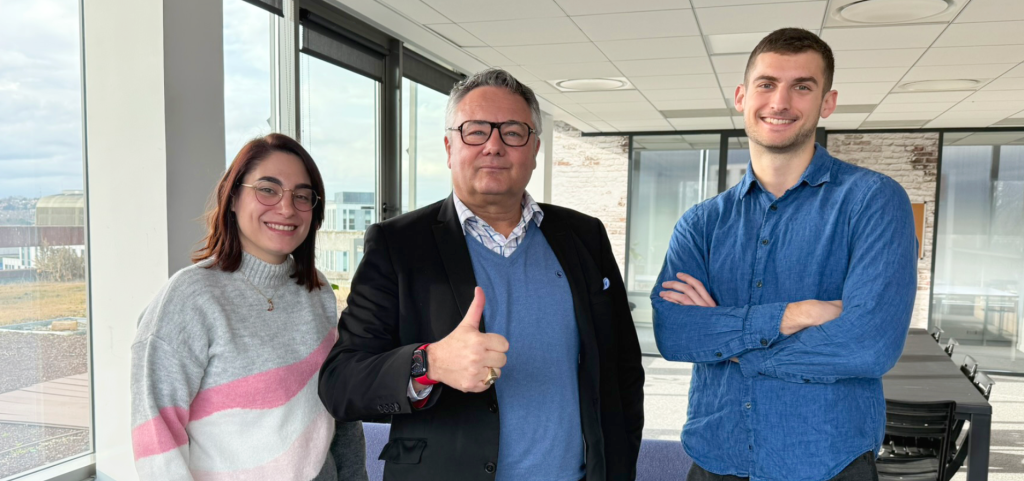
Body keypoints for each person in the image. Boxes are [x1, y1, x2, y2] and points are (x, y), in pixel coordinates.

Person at [318, 68, 644, 481]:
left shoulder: (584, 235)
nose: (494, 145)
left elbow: (623, 370)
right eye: (475, 131)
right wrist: (429, 363)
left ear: (535, 148)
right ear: (449, 146)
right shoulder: (397, 245)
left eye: (513, 131)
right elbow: (341, 385)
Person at [651, 28, 918, 481]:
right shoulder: (701, 223)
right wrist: (794, 315)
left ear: (826, 103)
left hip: (828, 462)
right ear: (741, 96)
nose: (781, 101)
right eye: (767, 83)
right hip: (718, 456)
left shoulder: (873, 201)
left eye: (802, 86)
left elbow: (869, 345)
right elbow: (675, 335)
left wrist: (734, 349)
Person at [130, 134, 367, 480]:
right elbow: (156, 435)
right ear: (233, 198)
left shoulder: (316, 291)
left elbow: (340, 411)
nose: (287, 208)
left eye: (302, 196)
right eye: (267, 190)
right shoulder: (189, 297)